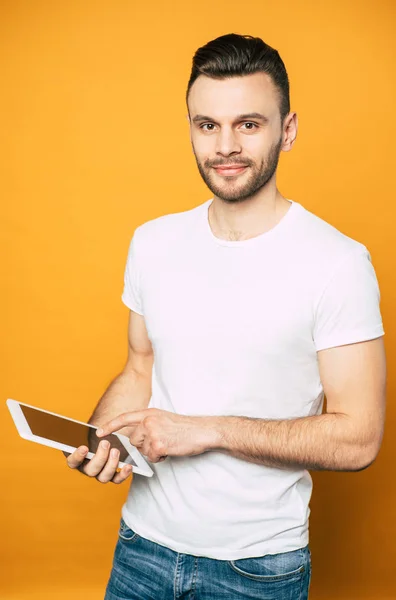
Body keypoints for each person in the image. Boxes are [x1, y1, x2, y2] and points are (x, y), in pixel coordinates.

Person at [65, 33, 387, 599]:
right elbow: (140, 367)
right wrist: (105, 436)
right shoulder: (153, 243)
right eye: (207, 125)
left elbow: (359, 439)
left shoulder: (337, 264)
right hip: (140, 548)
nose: (226, 146)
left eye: (249, 124)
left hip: (257, 569)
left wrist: (205, 431)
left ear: (287, 130)